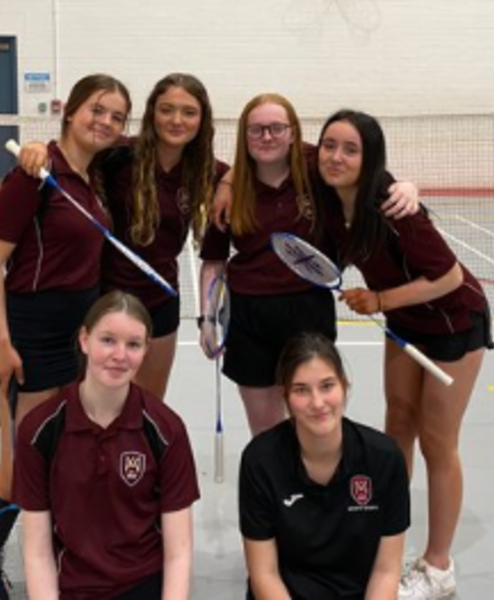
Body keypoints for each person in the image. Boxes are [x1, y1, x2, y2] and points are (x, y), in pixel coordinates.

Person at [316, 108, 493, 599]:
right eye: (329, 145)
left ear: (370, 157)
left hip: (454, 323)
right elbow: (277, 149)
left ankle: (438, 567)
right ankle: (386, 536)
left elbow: (449, 278)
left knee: (438, 441)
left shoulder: (394, 209)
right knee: (398, 425)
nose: (336, 156)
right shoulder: (331, 199)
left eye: (351, 149)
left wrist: (379, 301)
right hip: (407, 324)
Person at [0, 74, 132, 598]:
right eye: (96, 110)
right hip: (34, 332)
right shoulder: (35, 176)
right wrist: (1, 343)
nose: (105, 122)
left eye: (116, 116)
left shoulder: (97, 173)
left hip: (80, 332)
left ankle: (58, 554)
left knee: (64, 454)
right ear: (71, 112)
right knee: (21, 466)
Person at [198, 93, 419, 436]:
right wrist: (208, 319)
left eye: (276, 128)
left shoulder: (317, 169)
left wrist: (404, 186)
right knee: (266, 430)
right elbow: (213, 261)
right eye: (256, 130)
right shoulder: (229, 188)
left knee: (314, 422)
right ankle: (274, 488)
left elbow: (363, 172)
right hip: (248, 317)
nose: (267, 137)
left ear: (293, 132)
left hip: (308, 313)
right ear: (244, 135)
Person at [19, 73, 228, 400]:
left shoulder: (205, 169)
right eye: (166, 109)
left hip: (161, 302)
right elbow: (68, 154)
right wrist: (38, 147)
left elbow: (243, 172)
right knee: (94, 404)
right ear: (151, 113)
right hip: (104, 300)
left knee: (147, 406)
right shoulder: (118, 155)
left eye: (189, 112)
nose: (176, 120)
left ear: (202, 119)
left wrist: (228, 185)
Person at [14, 290, 199, 599]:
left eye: (133, 344)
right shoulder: (39, 430)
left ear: (145, 351)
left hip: (142, 584)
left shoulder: (167, 430)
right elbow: (37, 552)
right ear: (85, 340)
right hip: (72, 587)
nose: (120, 355)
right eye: (108, 340)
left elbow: (178, 553)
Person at [239, 331, 410, 599]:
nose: (317, 403)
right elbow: (264, 574)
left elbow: (386, 571)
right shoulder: (260, 461)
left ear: (345, 385)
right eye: (301, 390)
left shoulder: (385, 459)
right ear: (285, 396)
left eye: (327, 386)